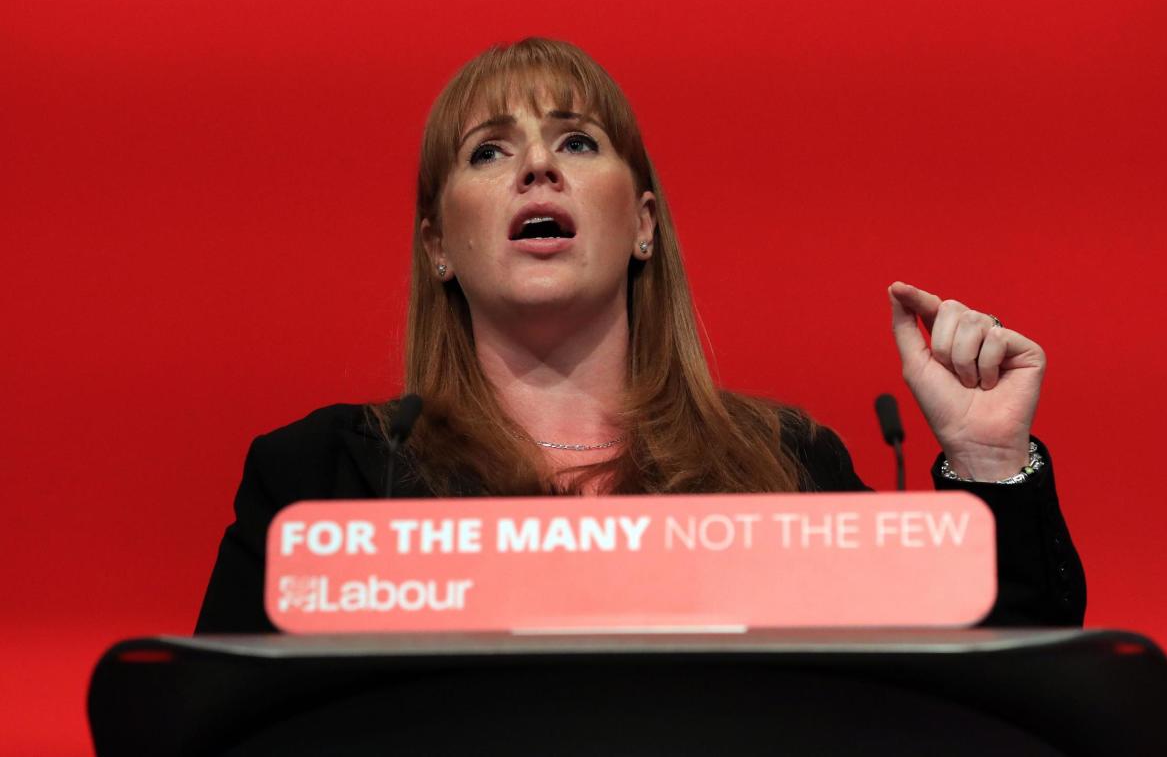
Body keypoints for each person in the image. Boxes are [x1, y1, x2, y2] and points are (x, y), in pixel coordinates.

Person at [196, 38, 1086, 634]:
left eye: (579, 144)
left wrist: (987, 460)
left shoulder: (790, 470)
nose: (538, 165)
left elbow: (988, 704)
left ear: (644, 225)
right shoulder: (320, 485)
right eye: (489, 152)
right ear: (439, 245)